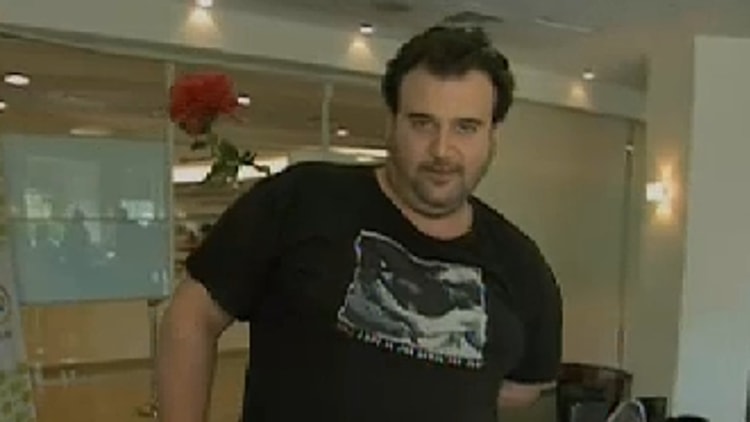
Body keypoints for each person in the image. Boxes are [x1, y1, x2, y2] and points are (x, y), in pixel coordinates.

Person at [157, 25, 562, 422]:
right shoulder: (303, 198)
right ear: (391, 123)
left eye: (466, 127)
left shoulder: (521, 263)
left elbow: (523, 387)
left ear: (492, 136)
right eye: (422, 123)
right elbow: (191, 316)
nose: (442, 150)